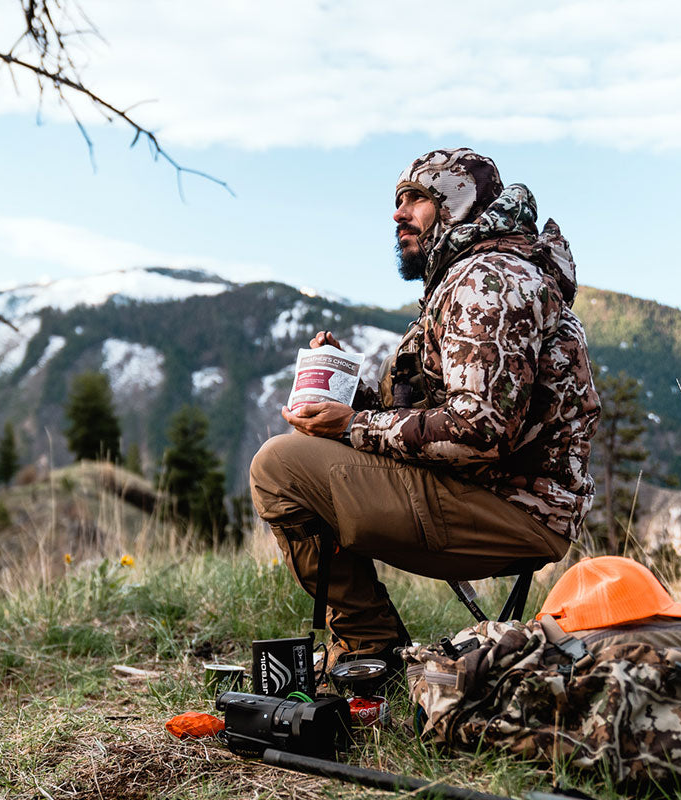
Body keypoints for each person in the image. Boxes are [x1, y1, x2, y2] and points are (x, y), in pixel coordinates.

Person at [249, 148, 601, 678]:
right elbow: (430, 414)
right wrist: (349, 396)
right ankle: (373, 648)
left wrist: (352, 426)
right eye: (397, 201)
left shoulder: (489, 282)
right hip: (493, 495)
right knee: (299, 458)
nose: (398, 214)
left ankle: (371, 646)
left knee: (280, 468)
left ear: (456, 205)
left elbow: (479, 432)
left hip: (508, 507)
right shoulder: (468, 279)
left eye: (415, 199)